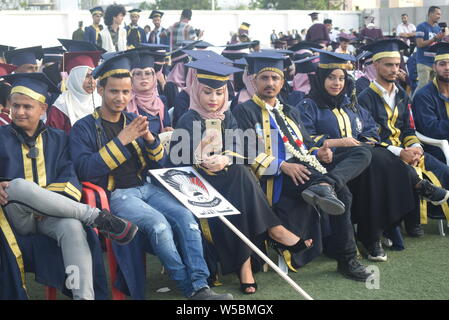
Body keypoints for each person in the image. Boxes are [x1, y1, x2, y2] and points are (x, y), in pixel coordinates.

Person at [69, 51, 233, 300]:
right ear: (100, 90)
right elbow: (85, 169)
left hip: (148, 187)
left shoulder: (134, 118)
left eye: (126, 92)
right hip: (117, 195)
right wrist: (123, 139)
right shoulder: (84, 127)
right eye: (114, 91)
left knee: (187, 218)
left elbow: (160, 163)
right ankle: (188, 288)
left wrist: (149, 140)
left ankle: (201, 285)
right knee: (159, 226)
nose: (120, 97)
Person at [170, 59, 313, 294]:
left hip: (230, 182)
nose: (213, 99)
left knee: (239, 175)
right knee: (240, 174)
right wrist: (200, 159)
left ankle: (245, 265)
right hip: (199, 184)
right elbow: (176, 162)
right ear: (196, 91)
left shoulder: (228, 117)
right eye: (207, 92)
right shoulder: (189, 119)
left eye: (219, 92)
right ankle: (274, 230)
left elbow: (243, 149)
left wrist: (225, 158)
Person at [232, 52, 374, 281]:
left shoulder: (289, 110)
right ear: (254, 81)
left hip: (308, 166)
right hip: (277, 176)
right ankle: (347, 259)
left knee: (363, 151)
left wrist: (319, 152)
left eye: (275, 79)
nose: (270, 83)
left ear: (282, 82)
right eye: (264, 78)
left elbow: (305, 144)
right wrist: (282, 166)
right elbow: (243, 151)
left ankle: (327, 183)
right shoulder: (244, 111)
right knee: (344, 194)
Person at [299, 49, 448, 261]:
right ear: (321, 78)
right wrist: (338, 143)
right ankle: (413, 188)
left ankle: (373, 236)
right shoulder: (308, 106)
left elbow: (370, 132)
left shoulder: (351, 105)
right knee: (376, 158)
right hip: (330, 163)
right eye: (331, 78)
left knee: (374, 160)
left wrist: (363, 143)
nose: (337, 83)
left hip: (363, 160)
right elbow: (304, 139)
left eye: (341, 78)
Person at [0, 72, 138, 300]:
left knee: (73, 228)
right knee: (18, 186)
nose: (20, 112)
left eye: (27, 106)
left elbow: (70, 177)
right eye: (15, 106)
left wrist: (47, 207)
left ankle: (83, 297)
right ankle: (96, 216)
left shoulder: (58, 139)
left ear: (43, 108)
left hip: (50, 217)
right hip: (13, 217)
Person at [358, 39, 449, 233]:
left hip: (407, 148)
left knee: (443, 170)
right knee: (402, 169)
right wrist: (401, 152)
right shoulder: (364, 98)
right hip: (381, 153)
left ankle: (433, 215)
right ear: (376, 65)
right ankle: (411, 221)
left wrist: (415, 147)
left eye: (397, 65)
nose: (394, 69)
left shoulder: (402, 95)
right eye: (388, 65)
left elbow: (409, 129)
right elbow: (368, 137)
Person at [46, 39, 103, 133]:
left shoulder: (100, 101)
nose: (92, 81)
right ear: (74, 78)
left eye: (94, 76)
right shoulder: (61, 107)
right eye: (86, 76)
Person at [412, 42, 449, 164]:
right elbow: (430, 129)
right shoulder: (423, 95)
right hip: (437, 147)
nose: (447, 67)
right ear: (434, 67)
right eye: (442, 64)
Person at [127, 48, 172, 134]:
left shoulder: (160, 102)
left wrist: (167, 130)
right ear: (131, 78)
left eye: (147, 73)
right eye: (138, 73)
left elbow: (166, 127)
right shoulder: (126, 102)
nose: (143, 77)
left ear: (153, 77)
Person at [415, 6, 444, 93]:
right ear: (430, 14)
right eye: (437, 14)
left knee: (435, 87)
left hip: (434, 62)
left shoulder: (438, 28)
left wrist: (441, 39)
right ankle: (412, 105)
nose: (439, 16)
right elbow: (419, 44)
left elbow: (437, 45)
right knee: (422, 87)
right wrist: (434, 39)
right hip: (423, 62)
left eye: (440, 14)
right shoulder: (421, 26)